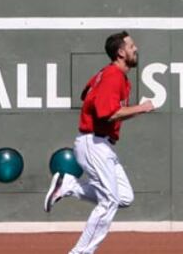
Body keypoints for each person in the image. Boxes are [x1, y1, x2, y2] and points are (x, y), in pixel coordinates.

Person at [44, 31, 154, 254]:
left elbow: (88, 94)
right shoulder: (113, 75)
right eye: (132, 46)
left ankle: (69, 185)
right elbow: (107, 113)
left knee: (123, 197)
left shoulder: (109, 75)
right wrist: (142, 108)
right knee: (109, 201)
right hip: (93, 143)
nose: (136, 49)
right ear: (121, 52)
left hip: (102, 144)